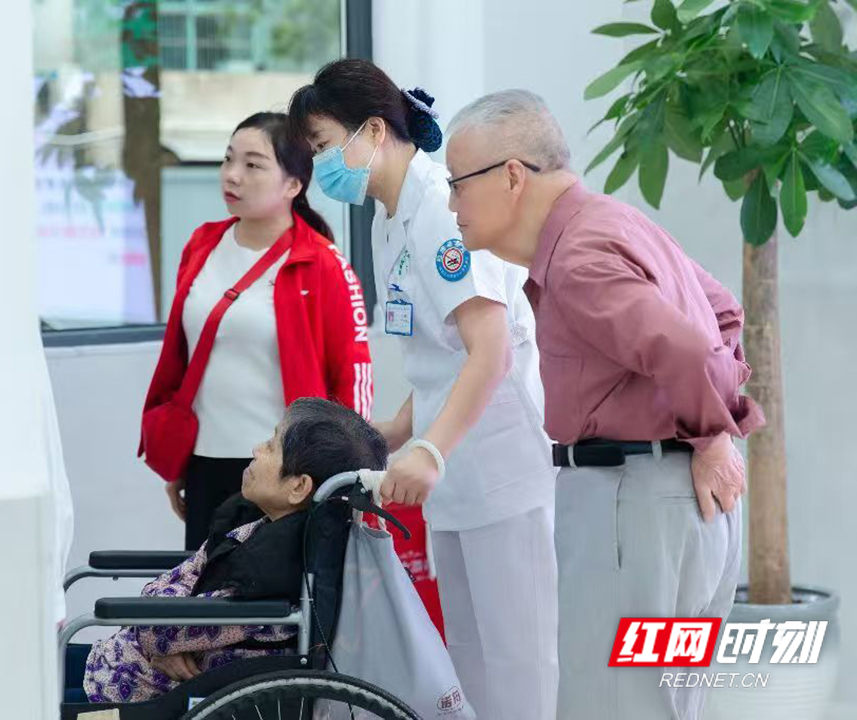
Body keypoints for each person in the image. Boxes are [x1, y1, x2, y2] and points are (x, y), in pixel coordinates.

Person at [444, 89, 766, 720]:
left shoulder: (580, 255)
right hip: (673, 505)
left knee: (614, 706)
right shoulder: (610, 221)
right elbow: (722, 309)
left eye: (458, 184)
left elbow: (685, 346)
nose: (452, 203)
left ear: (513, 176)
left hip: (636, 502)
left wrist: (712, 437)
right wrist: (710, 438)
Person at [289, 60, 558, 719]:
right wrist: (395, 433)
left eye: (323, 145)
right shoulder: (389, 219)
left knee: (518, 662)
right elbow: (439, 356)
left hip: (498, 468)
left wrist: (430, 449)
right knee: (467, 661)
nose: (321, 164)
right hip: (453, 474)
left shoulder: (440, 208)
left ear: (373, 130)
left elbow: (489, 350)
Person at [141, 112, 373, 551]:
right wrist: (179, 462)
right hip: (205, 462)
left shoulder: (321, 263)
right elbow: (182, 358)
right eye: (228, 160)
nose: (232, 175)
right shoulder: (202, 245)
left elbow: (353, 376)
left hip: (281, 477)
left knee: (273, 612)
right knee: (203, 604)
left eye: (253, 165)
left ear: (293, 184)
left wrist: (347, 475)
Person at [86, 397, 389, 703]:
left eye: (271, 447)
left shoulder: (271, 571)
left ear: (299, 487)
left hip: (140, 691)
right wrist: (162, 640)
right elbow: (173, 598)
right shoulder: (256, 527)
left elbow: (154, 626)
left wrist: (160, 638)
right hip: (131, 666)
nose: (256, 450)